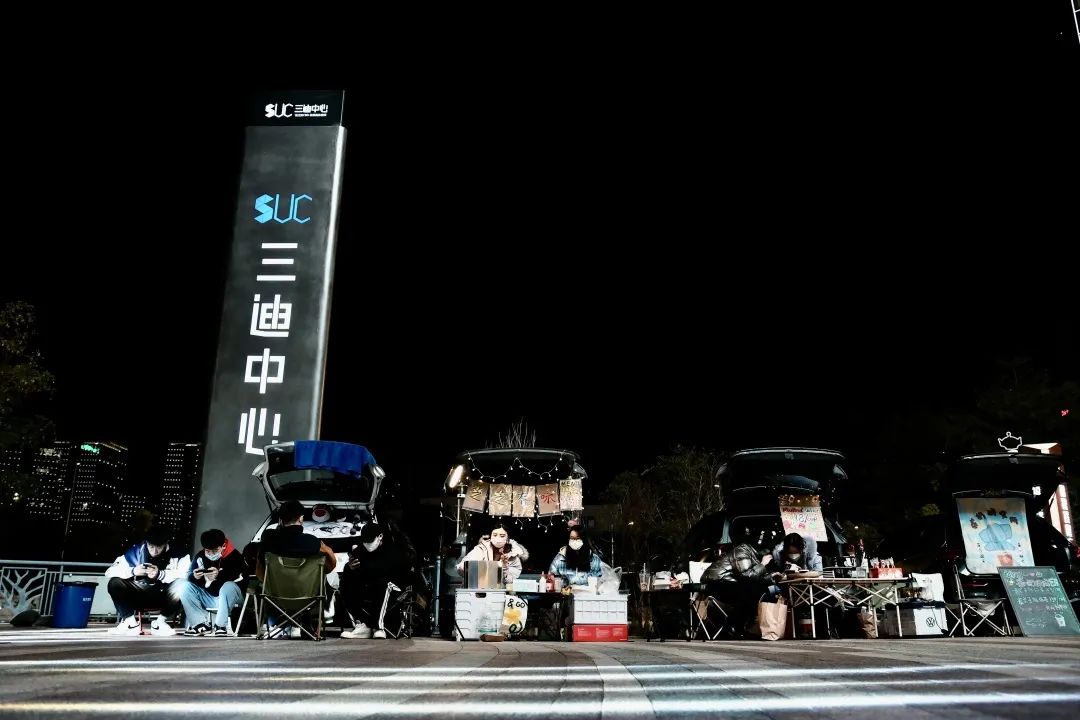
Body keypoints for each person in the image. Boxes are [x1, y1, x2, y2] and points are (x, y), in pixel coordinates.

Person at [104, 525, 190, 636]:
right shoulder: (135, 551)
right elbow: (110, 571)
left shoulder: (180, 553)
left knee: (183, 585)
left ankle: (159, 623)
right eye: (151, 547)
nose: (155, 551)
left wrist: (161, 574)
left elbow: (186, 575)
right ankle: (130, 623)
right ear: (146, 543)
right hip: (139, 593)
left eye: (159, 547)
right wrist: (133, 571)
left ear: (166, 543)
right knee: (114, 582)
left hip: (165, 596)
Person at [340, 523, 411, 639]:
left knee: (383, 584)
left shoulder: (392, 551)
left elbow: (392, 573)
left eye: (371, 541)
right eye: (365, 541)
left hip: (393, 588)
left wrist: (366, 570)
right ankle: (361, 624)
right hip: (370, 586)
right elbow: (353, 573)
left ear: (380, 536)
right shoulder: (359, 550)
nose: (368, 544)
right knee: (346, 584)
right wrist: (349, 568)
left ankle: (379, 627)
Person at [173, 529, 248, 637]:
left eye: (215, 550)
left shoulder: (235, 556)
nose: (211, 554)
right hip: (209, 597)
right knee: (184, 586)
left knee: (228, 586)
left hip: (232, 597)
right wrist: (195, 576)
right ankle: (200, 624)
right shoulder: (200, 556)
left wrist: (219, 576)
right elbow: (189, 575)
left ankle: (220, 626)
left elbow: (242, 580)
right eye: (208, 551)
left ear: (223, 546)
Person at [701, 543, 782, 637]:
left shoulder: (755, 555)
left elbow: (754, 577)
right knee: (751, 591)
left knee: (763, 590)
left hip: (731, 583)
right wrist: (763, 564)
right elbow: (747, 576)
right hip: (716, 582)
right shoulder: (742, 550)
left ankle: (739, 627)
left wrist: (772, 576)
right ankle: (733, 626)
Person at [456, 521, 530, 584]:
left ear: (507, 538)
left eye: (502, 536)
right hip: (478, 590)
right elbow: (462, 568)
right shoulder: (481, 549)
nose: (498, 538)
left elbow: (509, 581)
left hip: (501, 592)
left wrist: (504, 566)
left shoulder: (513, 555)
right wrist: (465, 567)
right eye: (494, 535)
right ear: (490, 536)